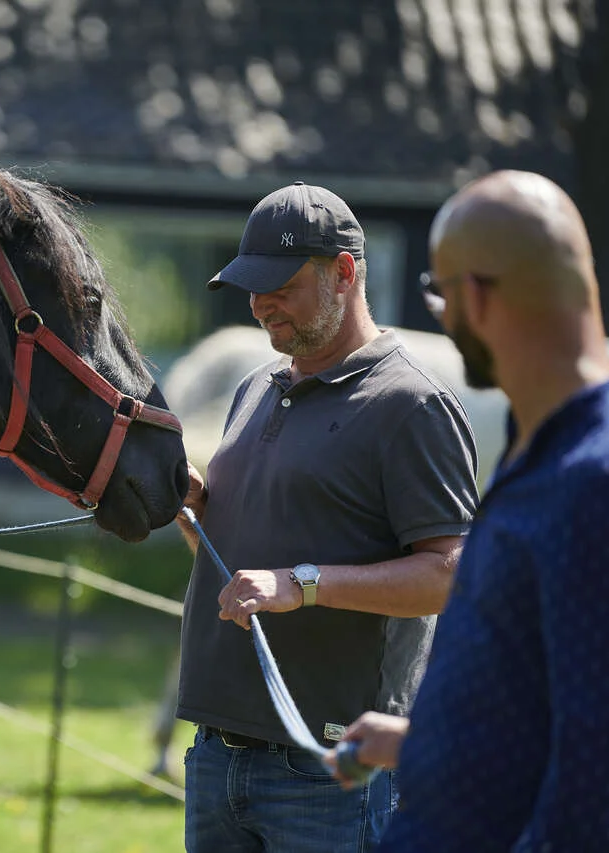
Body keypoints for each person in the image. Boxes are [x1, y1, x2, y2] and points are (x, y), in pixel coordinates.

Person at [174, 181, 480, 852]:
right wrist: (197, 512)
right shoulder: (257, 387)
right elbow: (246, 564)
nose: (260, 305)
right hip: (215, 751)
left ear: (344, 272)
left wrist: (304, 582)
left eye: (279, 286)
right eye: (251, 287)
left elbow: (451, 572)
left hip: (328, 771)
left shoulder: (412, 404)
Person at [326, 170, 609, 851]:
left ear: (478, 297)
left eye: (439, 291)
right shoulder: (550, 445)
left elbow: (600, 779)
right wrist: (425, 739)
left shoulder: (600, 482)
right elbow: (548, 696)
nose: (440, 313)